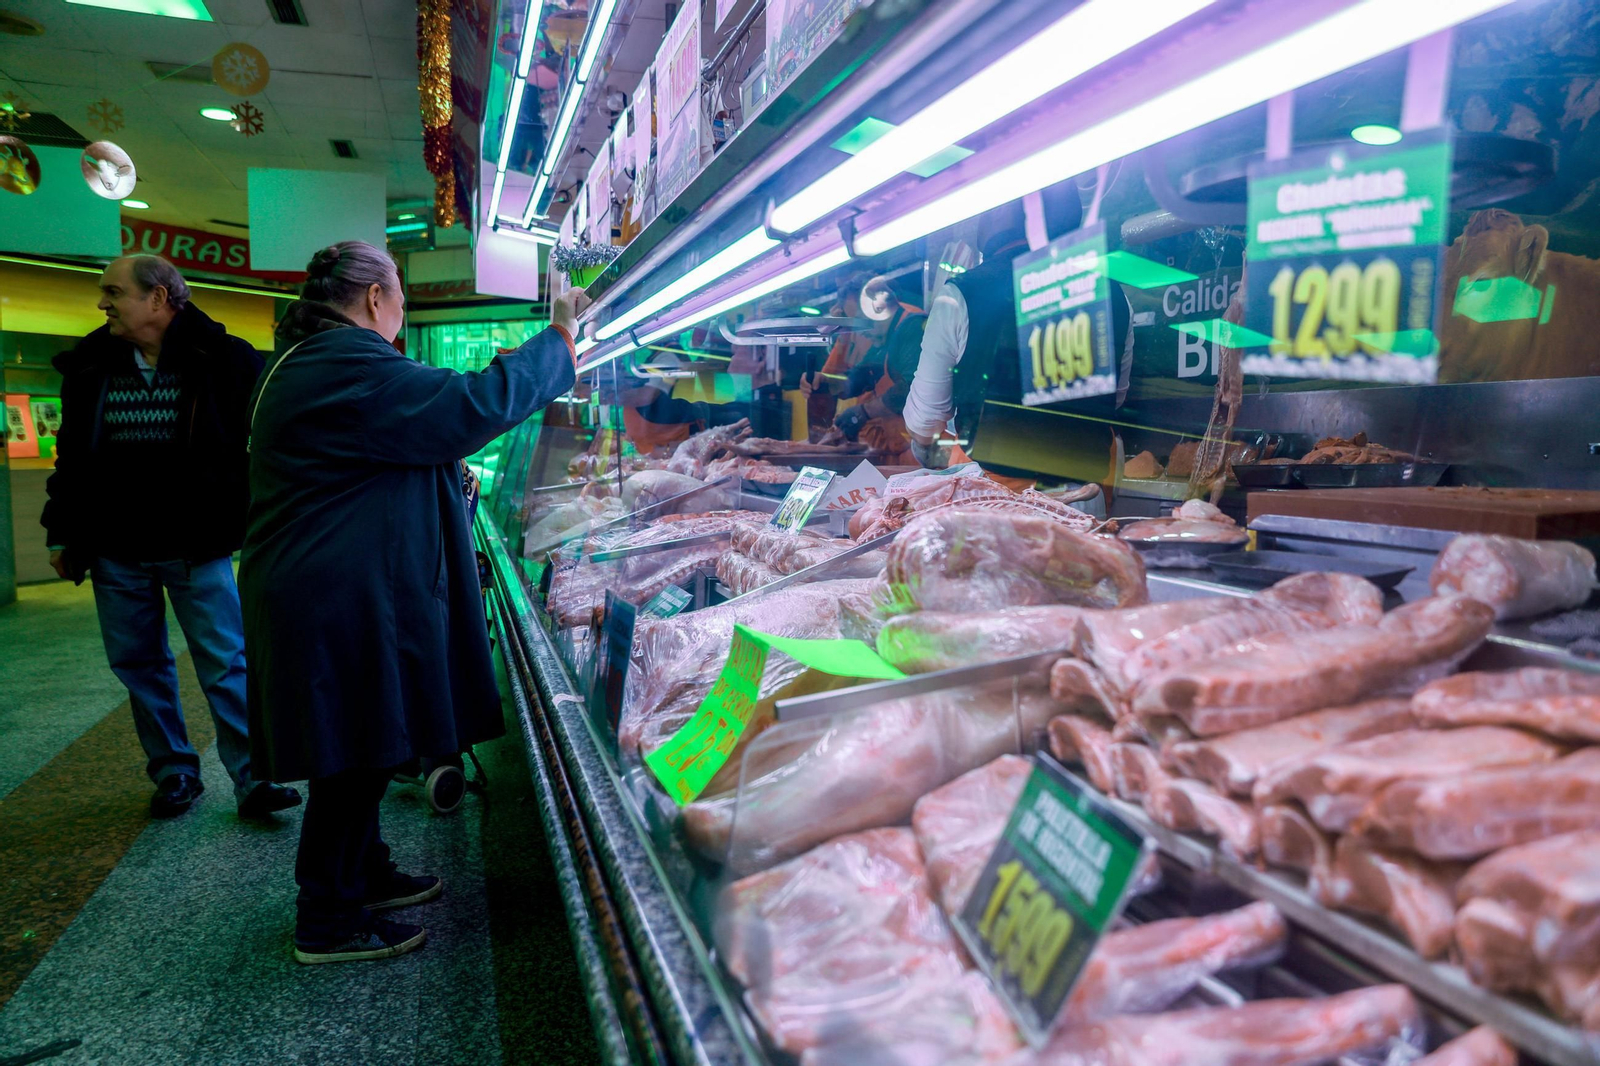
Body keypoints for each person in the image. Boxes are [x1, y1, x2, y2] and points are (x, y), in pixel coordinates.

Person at [240, 240, 584, 964]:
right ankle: (327, 918)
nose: (403, 307)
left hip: (327, 580)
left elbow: (395, 446)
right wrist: (557, 340)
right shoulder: (347, 364)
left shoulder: (313, 359)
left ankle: (363, 871)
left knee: (365, 736)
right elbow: (464, 407)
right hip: (330, 589)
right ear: (374, 299)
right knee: (353, 747)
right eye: (401, 294)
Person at [40, 254, 300, 821]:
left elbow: (263, 448)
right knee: (139, 664)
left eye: (114, 291)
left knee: (226, 661)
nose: (102, 302)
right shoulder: (90, 367)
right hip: (115, 550)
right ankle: (175, 770)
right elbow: (72, 458)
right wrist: (62, 532)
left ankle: (253, 778)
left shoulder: (225, 361)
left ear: (158, 298)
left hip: (197, 545)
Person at [902, 186, 1131, 482]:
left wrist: (932, 449)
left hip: (998, 504)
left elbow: (925, 423)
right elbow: (1115, 400)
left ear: (1005, 212)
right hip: (1083, 500)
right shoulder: (1115, 295)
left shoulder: (961, 295)